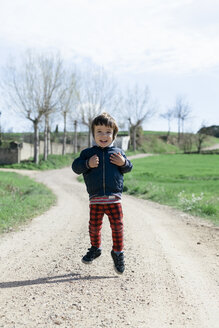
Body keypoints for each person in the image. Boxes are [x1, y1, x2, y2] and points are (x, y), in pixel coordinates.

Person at [72, 112, 133, 274]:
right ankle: (96, 248)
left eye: (108, 132)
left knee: (117, 227)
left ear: (114, 135)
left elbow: (128, 167)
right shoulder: (88, 154)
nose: (103, 135)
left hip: (114, 200)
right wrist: (87, 163)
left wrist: (124, 162)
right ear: (93, 134)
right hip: (96, 199)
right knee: (94, 226)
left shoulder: (118, 153)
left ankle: (118, 252)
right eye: (99, 131)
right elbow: (76, 167)